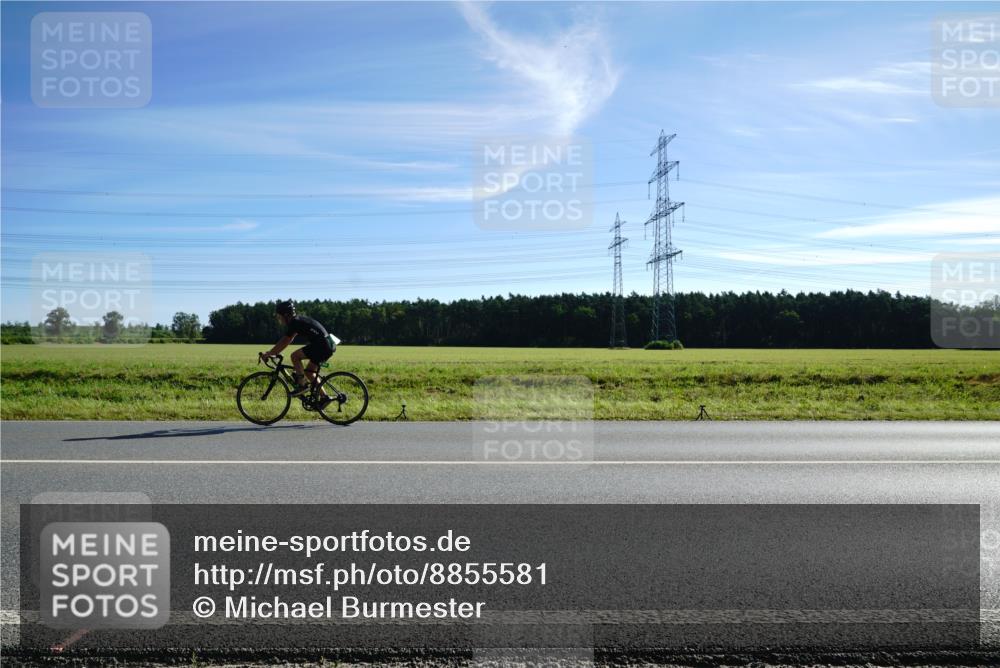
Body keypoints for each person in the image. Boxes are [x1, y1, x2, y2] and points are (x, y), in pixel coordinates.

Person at [262, 300, 335, 406]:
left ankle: (302, 386)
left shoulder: (295, 322)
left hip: (322, 345)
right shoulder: (298, 321)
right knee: (309, 372)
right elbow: (289, 339)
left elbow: (285, 341)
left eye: (279, 316)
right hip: (327, 344)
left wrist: (270, 353)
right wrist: (272, 352)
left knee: (295, 356)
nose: (279, 319)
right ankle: (325, 398)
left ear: (286, 315)